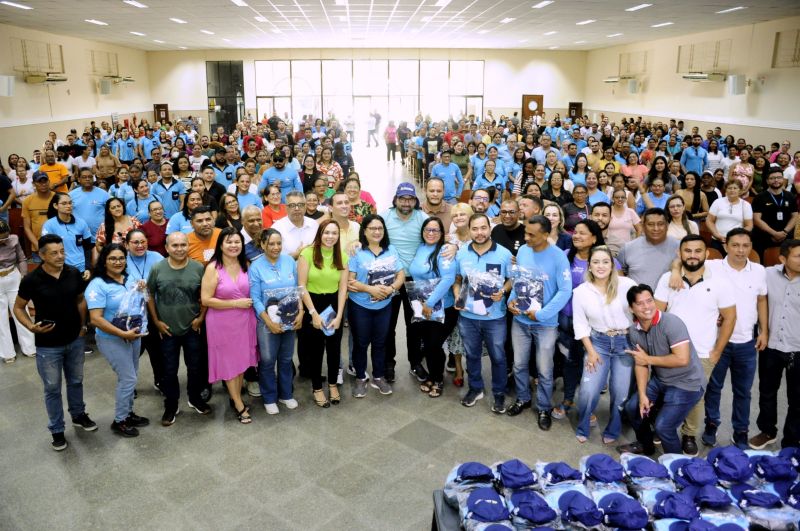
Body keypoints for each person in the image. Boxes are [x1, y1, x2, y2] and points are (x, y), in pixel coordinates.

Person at [654, 234, 737, 456]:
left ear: (706, 254)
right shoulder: (666, 279)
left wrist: (717, 351)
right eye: (687, 251)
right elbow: (657, 315)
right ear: (679, 254)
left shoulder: (719, 283)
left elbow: (729, 317)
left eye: (697, 251)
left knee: (694, 397)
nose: (692, 255)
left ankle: (689, 434)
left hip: (701, 352)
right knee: (666, 391)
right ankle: (662, 427)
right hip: (669, 350)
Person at [14, 234, 95, 450]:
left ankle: (78, 415)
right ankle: (57, 430)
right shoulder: (32, 280)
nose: (60, 256)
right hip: (48, 345)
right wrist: (30, 326)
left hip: (75, 339)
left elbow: (80, 300)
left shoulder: (73, 272)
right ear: (41, 255)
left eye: (62, 251)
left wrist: (83, 327)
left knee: (76, 381)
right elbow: (18, 308)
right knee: (52, 388)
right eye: (54, 253)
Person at [691, 228, 768, 449]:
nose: (740, 250)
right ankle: (711, 425)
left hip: (746, 342)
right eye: (735, 245)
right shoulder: (713, 267)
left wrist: (764, 331)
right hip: (717, 341)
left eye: (745, 245)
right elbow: (685, 263)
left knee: (743, 391)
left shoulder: (759, 271)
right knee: (713, 388)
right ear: (726, 246)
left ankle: (741, 431)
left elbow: (762, 300)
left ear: (751, 247)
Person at [616, 284, 706, 456]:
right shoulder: (634, 331)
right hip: (661, 381)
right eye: (640, 303)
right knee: (633, 407)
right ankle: (646, 445)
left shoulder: (671, 322)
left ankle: (676, 464)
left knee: (663, 426)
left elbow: (682, 359)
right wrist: (642, 394)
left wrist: (648, 359)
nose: (647, 306)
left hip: (686, 383)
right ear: (631, 308)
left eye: (649, 300)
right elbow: (641, 364)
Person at [572, 245, 637, 444]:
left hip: (625, 343)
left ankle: (614, 428)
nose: (601, 266)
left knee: (620, 393)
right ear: (589, 266)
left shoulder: (627, 285)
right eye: (596, 262)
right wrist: (590, 351)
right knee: (588, 390)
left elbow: (640, 312)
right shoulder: (581, 291)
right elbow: (580, 323)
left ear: (612, 265)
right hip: (598, 342)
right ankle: (583, 425)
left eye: (605, 262)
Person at [146, 231, 210, 426]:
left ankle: (195, 398)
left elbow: (206, 294)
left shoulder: (198, 268)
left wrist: (200, 318)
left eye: (183, 245)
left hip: (192, 327)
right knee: (169, 370)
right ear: (166, 248)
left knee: (195, 366)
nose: (180, 249)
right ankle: (171, 405)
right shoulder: (157, 269)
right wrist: (156, 321)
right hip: (167, 330)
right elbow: (149, 294)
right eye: (175, 245)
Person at [86, 244, 150, 437]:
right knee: (128, 378)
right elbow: (95, 319)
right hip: (112, 339)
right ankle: (120, 420)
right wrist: (122, 334)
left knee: (132, 376)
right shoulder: (97, 285)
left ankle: (129, 413)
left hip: (133, 335)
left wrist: (140, 289)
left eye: (121, 258)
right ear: (104, 261)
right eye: (112, 258)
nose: (118, 262)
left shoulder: (128, 278)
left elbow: (136, 301)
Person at [455, 213, 513, 414]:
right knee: (471, 354)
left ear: (490, 229)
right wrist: (458, 297)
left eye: (483, 228)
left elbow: (511, 279)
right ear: (469, 230)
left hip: (494, 317)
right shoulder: (462, 253)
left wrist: (503, 291)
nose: (479, 233)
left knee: (498, 356)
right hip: (468, 316)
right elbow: (457, 278)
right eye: (475, 229)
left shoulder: (504, 254)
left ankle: (498, 393)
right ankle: (476, 388)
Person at [200, 227, 258, 424]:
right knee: (229, 364)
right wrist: (235, 303)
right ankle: (239, 405)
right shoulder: (212, 268)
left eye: (237, 242)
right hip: (222, 323)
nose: (234, 246)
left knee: (241, 363)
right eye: (229, 242)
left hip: (245, 321)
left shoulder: (246, 265)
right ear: (221, 245)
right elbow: (206, 300)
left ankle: (235, 398)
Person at [347, 215, 405, 398]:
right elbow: (350, 281)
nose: (377, 232)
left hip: (385, 304)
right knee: (361, 342)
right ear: (364, 231)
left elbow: (400, 275)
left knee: (381, 342)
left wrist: (391, 289)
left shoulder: (391, 250)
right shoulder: (357, 252)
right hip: (360, 305)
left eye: (380, 228)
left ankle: (378, 376)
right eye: (372, 228)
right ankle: (360, 377)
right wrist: (370, 289)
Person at [750, 239, 800, 449]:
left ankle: (792, 439)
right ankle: (767, 431)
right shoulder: (767, 274)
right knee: (767, 391)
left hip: (798, 347)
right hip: (771, 344)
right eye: (797, 256)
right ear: (783, 258)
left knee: (797, 398)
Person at [381, 183, 430, 383]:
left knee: (415, 324)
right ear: (396, 200)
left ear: (415, 201)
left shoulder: (423, 218)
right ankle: (388, 363)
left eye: (410, 199)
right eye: (402, 198)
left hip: (415, 280)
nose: (406, 202)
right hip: (390, 279)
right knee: (388, 324)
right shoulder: (385, 217)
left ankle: (415, 363)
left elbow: (435, 238)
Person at [250, 228, 302, 414]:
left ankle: (286, 394)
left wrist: (301, 312)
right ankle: (269, 396)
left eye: (278, 243)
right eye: (271, 243)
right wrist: (268, 322)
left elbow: (297, 289)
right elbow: (255, 299)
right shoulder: (255, 267)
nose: (275, 247)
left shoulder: (289, 261)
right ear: (262, 245)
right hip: (267, 322)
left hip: (290, 319)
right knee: (268, 360)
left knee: (286, 358)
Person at [298, 220, 348, 405]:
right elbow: (301, 286)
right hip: (313, 303)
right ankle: (317, 388)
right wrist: (313, 313)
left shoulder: (341, 256)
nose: (330, 236)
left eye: (334, 233)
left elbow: (343, 288)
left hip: (334, 303)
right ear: (320, 233)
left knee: (334, 348)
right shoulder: (307, 254)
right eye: (327, 232)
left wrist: (340, 314)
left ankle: (333, 384)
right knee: (316, 349)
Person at [408, 217, 458, 398]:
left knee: (433, 344)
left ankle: (437, 380)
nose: (431, 233)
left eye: (435, 230)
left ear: (442, 233)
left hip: (442, 307)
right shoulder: (421, 248)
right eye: (427, 230)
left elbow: (448, 279)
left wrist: (429, 303)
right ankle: (433, 375)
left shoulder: (444, 250)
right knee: (428, 344)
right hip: (422, 306)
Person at [124, 229, 165, 393]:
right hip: (132, 314)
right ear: (126, 245)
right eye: (135, 242)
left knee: (157, 352)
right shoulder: (121, 260)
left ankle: (160, 381)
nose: (140, 245)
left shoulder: (157, 257)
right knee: (132, 353)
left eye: (143, 242)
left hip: (154, 311)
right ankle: (129, 384)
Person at [0, 221, 35, 362]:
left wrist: (23, 276)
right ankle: (7, 353)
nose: (4, 240)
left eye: (5, 237)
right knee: (0, 318)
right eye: (1, 238)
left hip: (13, 277)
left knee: (21, 311)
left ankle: (30, 348)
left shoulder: (14, 239)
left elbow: (22, 258)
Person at [618, 208, 679, 289]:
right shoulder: (628, 248)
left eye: (660, 224)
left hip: (669, 299)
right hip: (636, 299)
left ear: (667, 226)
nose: (656, 228)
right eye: (650, 224)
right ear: (643, 226)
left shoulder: (679, 246)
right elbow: (619, 270)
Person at [41, 193, 93, 279]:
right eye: (64, 203)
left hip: (81, 268)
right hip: (60, 269)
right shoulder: (49, 225)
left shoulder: (81, 223)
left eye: (70, 203)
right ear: (55, 205)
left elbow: (87, 248)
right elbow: (46, 250)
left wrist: (87, 268)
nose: (68, 206)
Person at [752, 165, 798, 259]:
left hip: (786, 238)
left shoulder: (790, 196)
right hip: (764, 238)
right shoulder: (760, 197)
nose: (776, 180)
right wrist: (774, 233)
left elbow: (795, 216)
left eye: (779, 177)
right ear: (767, 181)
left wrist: (784, 232)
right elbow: (756, 219)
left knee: (786, 263)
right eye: (772, 178)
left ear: (783, 179)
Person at [706, 180, 753, 256]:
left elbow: (749, 226)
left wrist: (735, 236)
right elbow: (709, 220)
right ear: (726, 190)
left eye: (735, 188)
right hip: (717, 240)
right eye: (729, 188)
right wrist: (716, 235)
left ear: (740, 190)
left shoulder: (746, 205)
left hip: (736, 242)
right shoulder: (718, 202)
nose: (732, 190)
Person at [271, 191, 317, 258]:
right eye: (292, 205)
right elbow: (272, 258)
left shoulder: (314, 224)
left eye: (300, 205)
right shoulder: (277, 229)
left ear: (305, 206)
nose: (297, 209)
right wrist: (296, 254)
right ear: (286, 208)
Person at [21, 171, 55, 261]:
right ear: (33, 184)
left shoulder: (57, 198)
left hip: (57, 246)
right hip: (38, 248)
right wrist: (37, 245)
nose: (43, 184)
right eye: (39, 181)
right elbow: (27, 227)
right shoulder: (27, 201)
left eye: (45, 181)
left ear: (49, 181)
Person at [69, 167, 109, 242]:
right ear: (78, 179)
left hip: (99, 236)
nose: (87, 179)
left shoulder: (104, 194)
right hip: (78, 235)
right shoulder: (71, 195)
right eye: (84, 177)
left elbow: (109, 212)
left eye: (90, 177)